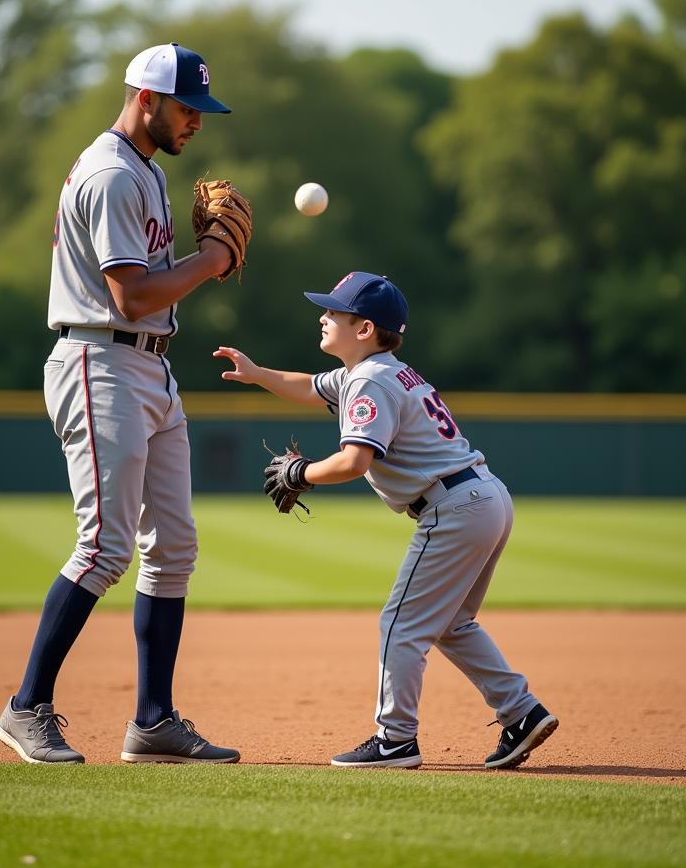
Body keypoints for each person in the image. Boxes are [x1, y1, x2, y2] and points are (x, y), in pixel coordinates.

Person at [0, 42, 243, 765]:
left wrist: (196, 262)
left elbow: (144, 292)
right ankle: (25, 708)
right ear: (146, 99)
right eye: (185, 106)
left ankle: (154, 722)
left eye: (200, 109)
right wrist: (213, 260)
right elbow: (129, 295)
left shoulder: (144, 172)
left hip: (148, 369)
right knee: (104, 547)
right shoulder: (111, 175)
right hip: (99, 361)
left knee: (173, 549)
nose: (196, 120)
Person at [213, 271, 558, 769]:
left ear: (365, 328)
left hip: (454, 507)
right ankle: (521, 712)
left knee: (400, 625)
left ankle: (395, 739)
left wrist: (301, 472)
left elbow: (355, 461)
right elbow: (310, 387)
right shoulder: (380, 370)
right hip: (483, 496)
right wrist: (258, 373)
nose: (323, 316)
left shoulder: (370, 380)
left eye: (335, 311)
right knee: (451, 623)